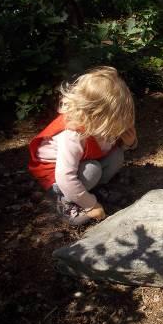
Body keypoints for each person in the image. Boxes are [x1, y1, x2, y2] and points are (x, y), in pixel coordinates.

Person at [28, 66, 137, 226]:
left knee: (116, 156)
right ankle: (65, 201)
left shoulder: (98, 125)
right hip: (54, 172)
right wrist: (91, 205)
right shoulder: (72, 135)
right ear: (95, 115)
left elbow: (108, 147)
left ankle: (91, 191)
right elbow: (65, 177)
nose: (117, 125)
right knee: (92, 170)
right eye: (115, 120)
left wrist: (130, 143)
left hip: (82, 160)